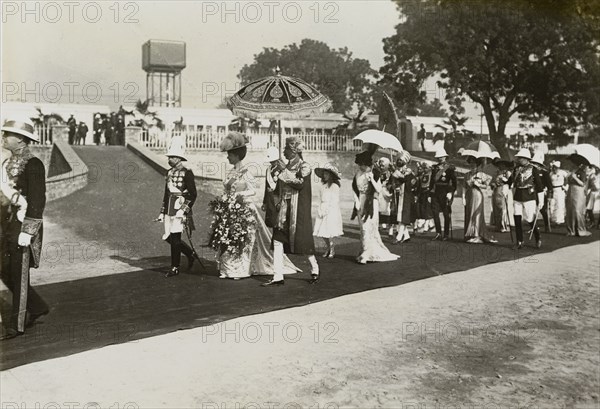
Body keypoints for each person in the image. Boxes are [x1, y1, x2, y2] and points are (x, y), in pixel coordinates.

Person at [218, 133, 300, 280]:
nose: (228, 158)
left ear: (236, 155)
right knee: (230, 239)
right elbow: (226, 188)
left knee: (243, 240)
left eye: (229, 155)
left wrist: (239, 195)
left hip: (243, 209)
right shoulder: (231, 171)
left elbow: (253, 190)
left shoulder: (246, 172)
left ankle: (241, 270)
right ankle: (228, 269)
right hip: (230, 209)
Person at [0, 119, 49, 340]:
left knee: (19, 274)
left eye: (7, 134)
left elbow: (38, 200)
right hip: (6, 224)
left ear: (20, 138)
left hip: (23, 224)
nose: (3, 137)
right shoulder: (6, 163)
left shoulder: (34, 164)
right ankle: (37, 305)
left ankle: (16, 324)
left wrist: (28, 231)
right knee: (4, 269)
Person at [267, 137, 318, 286]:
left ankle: (314, 268)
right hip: (283, 208)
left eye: (286, 149)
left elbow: (299, 184)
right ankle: (278, 276)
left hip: (298, 210)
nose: (283, 152)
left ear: (294, 151)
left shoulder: (305, 167)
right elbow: (278, 187)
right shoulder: (284, 167)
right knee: (277, 240)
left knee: (302, 242)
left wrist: (284, 171)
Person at [156, 137, 198, 277]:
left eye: (172, 157)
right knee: (168, 236)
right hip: (169, 208)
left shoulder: (187, 173)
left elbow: (193, 194)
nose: (169, 159)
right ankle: (190, 253)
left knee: (175, 237)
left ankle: (175, 267)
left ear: (179, 158)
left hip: (180, 207)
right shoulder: (169, 172)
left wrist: (183, 210)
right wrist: (162, 212)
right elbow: (166, 193)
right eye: (169, 157)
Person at [352, 150, 400, 264]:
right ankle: (365, 249)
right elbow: (354, 189)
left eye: (362, 165)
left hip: (371, 203)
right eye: (360, 165)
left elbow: (378, 189)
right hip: (361, 201)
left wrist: (372, 179)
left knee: (367, 227)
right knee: (362, 228)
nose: (361, 167)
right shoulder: (358, 174)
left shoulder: (375, 173)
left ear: (367, 164)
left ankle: (366, 254)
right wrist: (356, 201)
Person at [512, 148, 544, 248]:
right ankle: (519, 241)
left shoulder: (533, 169)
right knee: (517, 218)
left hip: (529, 196)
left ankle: (537, 237)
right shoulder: (516, 169)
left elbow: (539, 186)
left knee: (530, 219)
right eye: (519, 158)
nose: (519, 159)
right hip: (518, 195)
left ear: (526, 159)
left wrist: (541, 200)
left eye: (521, 158)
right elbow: (511, 181)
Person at [313, 163, 344, 258]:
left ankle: (332, 249)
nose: (325, 176)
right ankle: (328, 247)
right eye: (324, 174)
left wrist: (327, 210)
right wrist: (320, 209)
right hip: (323, 208)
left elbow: (335, 200)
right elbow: (320, 199)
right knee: (321, 231)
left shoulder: (334, 186)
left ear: (331, 175)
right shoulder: (322, 186)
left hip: (331, 210)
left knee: (329, 231)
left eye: (327, 174)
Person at [462, 156, 494, 243]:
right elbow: (464, 187)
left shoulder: (481, 174)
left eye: (474, 163)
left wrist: (479, 184)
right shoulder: (467, 174)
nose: (472, 165)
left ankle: (477, 235)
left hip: (478, 195)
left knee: (476, 214)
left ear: (477, 165)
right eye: (471, 163)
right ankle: (470, 234)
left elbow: (486, 185)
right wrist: (463, 197)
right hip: (469, 196)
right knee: (469, 213)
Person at [429, 148, 457, 241]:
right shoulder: (435, 168)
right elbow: (432, 181)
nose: (440, 159)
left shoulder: (449, 168)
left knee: (446, 213)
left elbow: (454, 182)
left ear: (445, 157)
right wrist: (430, 193)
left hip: (445, 192)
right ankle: (438, 233)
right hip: (435, 192)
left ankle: (446, 234)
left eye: (441, 157)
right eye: (438, 157)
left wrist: (450, 192)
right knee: (435, 213)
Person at [389, 153, 417, 244]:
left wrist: (395, 173)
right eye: (398, 159)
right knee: (399, 215)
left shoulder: (408, 171)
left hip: (407, 196)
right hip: (399, 195)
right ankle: (406, 235)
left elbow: (405, 180)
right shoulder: (398, 170)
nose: (398, 161)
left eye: (400, 160)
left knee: (403, 217)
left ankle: (399, 236)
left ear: (405, 161)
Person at [565, 162, 591, 237]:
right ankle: (571, 230)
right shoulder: (572, 172)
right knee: (570, 210)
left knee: (577, 210)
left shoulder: (582, 172)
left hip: (578, 192)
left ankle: (580, 230)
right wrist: (569, 176)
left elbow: (582, 183)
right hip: (571, 191)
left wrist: (575, 178)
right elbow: (567, 182)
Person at [262, 146, 284, 229]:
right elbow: (266, 187)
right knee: (271, 222)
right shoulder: (268, 170)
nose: (272, 163)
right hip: (269, 198)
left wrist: (280, 201)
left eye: (273, 161)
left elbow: (282, 186)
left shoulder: (281, 169)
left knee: (278, 222)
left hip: (277, 199)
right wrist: (264, 202)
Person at [531, 152, 553, 232]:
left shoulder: (544, 172)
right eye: (534, 163)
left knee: (543, 210)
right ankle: (533, 227)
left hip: (541, 192)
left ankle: (547, 226)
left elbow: (550, 185)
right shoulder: (530, 172)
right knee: (531, 210)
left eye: (536, 163)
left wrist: (550, 195)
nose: (535, 165)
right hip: (531, 192)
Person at [489, 160, 513, 233]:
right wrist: (492, 184)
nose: (500, 166)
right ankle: (498, 225)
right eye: (499, 164)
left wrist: (505, 181)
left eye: (502, 164)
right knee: (496, 208)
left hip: (504, 191)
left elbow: (511, 183)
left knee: (503, 209)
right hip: (496, 191)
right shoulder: (496, 173)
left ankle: (504, 225)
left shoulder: (507, 173)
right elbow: (492, 181)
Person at [375, 157, 395, 236]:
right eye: (380, 165)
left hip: (387, 193)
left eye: (383, 165)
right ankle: (379, 226)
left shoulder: (391, 173)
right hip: (380, 193)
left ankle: (391, 229)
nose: (381, 166)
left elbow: (392, 183)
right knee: (379, 210)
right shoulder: (377, 172)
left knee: (389, 211)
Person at [414, 162, 435, 233]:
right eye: (424, 168)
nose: (425, 169)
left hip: (428, 192)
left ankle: (426, 226)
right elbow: (419, 185)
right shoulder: (422, 176)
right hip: (422, 193)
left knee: (428, 210)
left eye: (426, 168)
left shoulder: (432, 175)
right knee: (422, 209)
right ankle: (430, 224)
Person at [549, 161, 568, 226]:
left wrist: (565, 186)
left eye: (556, 168)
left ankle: (559, 220)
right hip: (553, 190)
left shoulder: (563, 173)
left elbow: (567, 179)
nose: (554, 169)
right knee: (553, 204)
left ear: (559, 168)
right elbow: (549, 181)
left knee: (560, 205)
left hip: (560, 189)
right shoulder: (551, 173)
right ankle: (553, 219)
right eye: (554, 167)